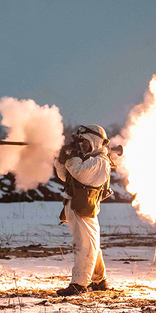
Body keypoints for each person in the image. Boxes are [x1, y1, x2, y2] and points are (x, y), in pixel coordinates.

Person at [54, 125, 113, 296]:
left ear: (95, 141)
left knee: (84, 246)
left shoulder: (100, 161)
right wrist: (61, 158)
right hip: (76, 207)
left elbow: (78, 172)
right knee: (90, 244)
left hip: (85, 208)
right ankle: (99, 280)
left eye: (86, 141)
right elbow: (66, 176)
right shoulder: (86, 159)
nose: (83, 145)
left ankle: (79, 284)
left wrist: (71, 156)